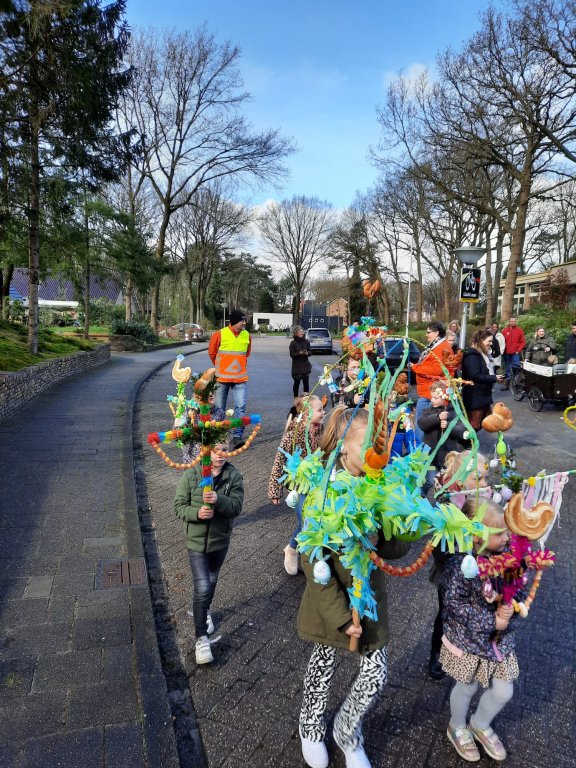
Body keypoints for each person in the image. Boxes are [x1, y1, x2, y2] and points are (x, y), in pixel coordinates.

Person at [297, 406, 410, 768]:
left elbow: (399, 547)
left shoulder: (381, 485)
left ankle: (347, 730)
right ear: (344, 447)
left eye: (381, 445)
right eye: (369, 446)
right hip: (330, 600)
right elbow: (313, 560)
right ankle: (310, 724)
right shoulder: (323, 491)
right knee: (323, 663)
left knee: (376, 672)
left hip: (368, 598)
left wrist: (385, 536)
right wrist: (340, 617)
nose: (379, 454)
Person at [441, 499, 518, 762]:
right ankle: (457, 726)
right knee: (467, 686)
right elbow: (454, 604)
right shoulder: (461, 564)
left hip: (499, 642)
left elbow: (517, 585)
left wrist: (513, 602)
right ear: (476, 536)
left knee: (504, 691)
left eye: (507, 531)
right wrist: (490, 621)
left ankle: (480, 723)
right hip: (470, 642)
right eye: (500, 533)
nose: (507, 538)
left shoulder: (507, 557)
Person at [174, 441, 244, 665]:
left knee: (212, 579)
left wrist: (219, 500)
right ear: (205, 450)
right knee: (202, 586)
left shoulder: (233, 476)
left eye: (225, 449)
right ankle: (201, 638)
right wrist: (196, 513)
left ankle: (204, 610)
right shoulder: (192, 475)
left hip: (219, 541)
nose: (221, 454)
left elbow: (236, 507)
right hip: (196, 542)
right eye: (216, 450)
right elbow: (179, 506)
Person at [428, 450, 489, 680]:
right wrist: (459, 554)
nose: (485, 483)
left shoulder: (483, 500)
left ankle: (466, 653)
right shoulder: (446, 507)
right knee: (445, 615)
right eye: (479, 478)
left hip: (477, 573)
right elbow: (438, 548)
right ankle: (437, 654)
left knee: (471, 614)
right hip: (450, 574)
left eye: (486, 478)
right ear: (461, 481)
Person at [268, 394, 325, 575]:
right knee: (305, 520)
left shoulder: (322, 432)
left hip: (319, 484)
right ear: (307, 414)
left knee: (318, 519)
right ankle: (292, 549)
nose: (323, 412)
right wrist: (275, 490)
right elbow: (279, 461)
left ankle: (314, 554)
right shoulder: (292, 435)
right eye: (319, 410)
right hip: (299, 486)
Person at [208, 310, 251, 449]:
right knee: (219, 408)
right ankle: (219, 435)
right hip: (222, 379)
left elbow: (246, 353)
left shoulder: (247, 335)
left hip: (240, 378)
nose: (244, 323)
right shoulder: (219, 334)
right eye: (242, 320)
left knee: (241, 407)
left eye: (244, 320)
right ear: (234, 322)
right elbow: (212, 353)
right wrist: (220, 367)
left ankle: (237, 437)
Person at [417, 380, 471, 481]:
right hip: (431, 455)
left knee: (447, 482)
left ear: (445, 398)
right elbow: (422, 423)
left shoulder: (455, 412)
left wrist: (448, 426)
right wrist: (437, 418)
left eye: (436, 398)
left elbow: (463, 432)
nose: (432, 400)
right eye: (431, 397)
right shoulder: (428, 410)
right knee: (430, 481)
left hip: (448, 456)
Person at [410, 321, 455, 441]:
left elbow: (437, 370)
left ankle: (421, 449)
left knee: (422, 424)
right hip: (429, 391)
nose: (426, 335)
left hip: (432, 393)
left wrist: (415, 367)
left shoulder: (442, 348)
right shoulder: (437, 346)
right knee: (430, 425)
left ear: (436, 333)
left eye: (428, 332)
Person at [461, 329, 506, 431]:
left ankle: (469, 440)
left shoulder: (481, 353)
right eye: (489, 341)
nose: (491, 344)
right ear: (481, 340)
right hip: (475, 397)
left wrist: (494, 378)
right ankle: (466, 441)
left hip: (482, 396)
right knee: (473, 426)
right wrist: (494, 378)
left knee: (483, 423)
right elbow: (475, 375)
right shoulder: (472, 355)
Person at [500, 316, 525, 389]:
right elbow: (501, 342)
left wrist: (518, 350)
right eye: (511, 321)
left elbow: (523, 342)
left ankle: (516, 383)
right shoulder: (504, 331)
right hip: (506, 353)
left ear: (516, 322)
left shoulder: (519, 330)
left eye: (514, 321)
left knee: (516, 367)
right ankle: (507, 384)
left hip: (515, 353)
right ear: (509, 321)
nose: (513, 322)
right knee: (507, 368)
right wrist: (502, 350)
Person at [290, 326, 312, 397]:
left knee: (306, 384)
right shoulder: (293, 343)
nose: (302, 333)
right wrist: (299, 353)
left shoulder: (306, 342)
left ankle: (306, 399)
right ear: (296, 333)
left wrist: (307, 353)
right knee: (297, 383)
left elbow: (310, 352)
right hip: (297, 367)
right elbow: (292, 355)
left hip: (305, 366)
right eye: (300, 331)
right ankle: (295, 398)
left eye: (302, 331)